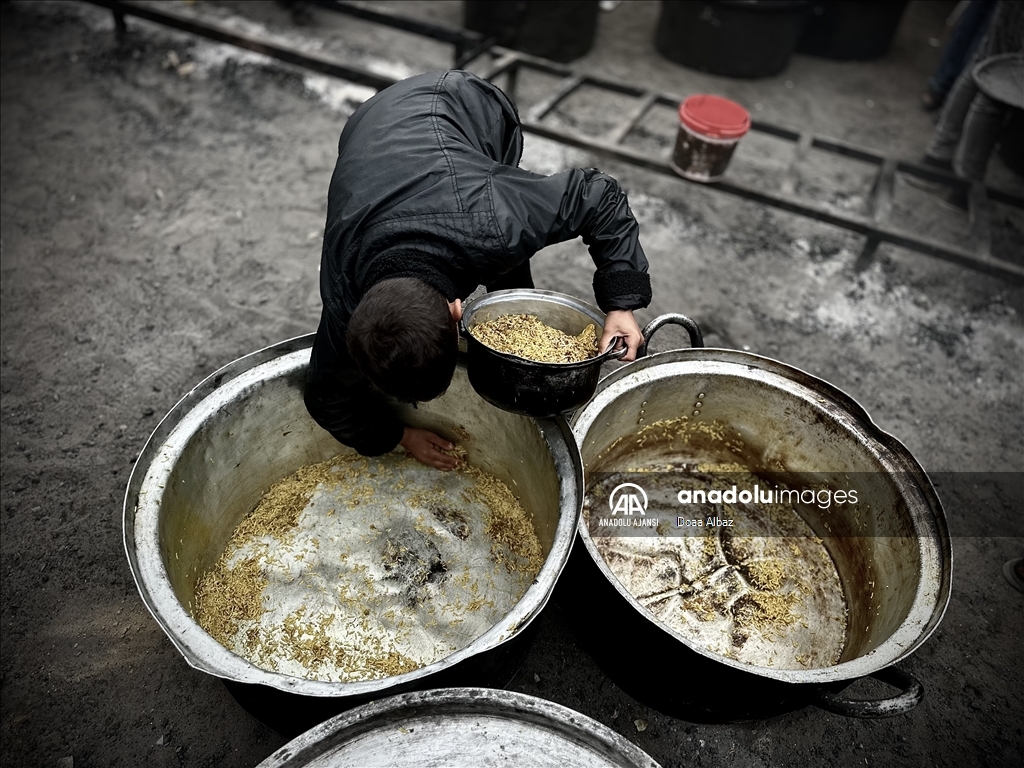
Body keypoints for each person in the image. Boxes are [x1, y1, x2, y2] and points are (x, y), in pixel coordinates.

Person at [304, 70, 652, 470]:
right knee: (491, 249)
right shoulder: (343, 299)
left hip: (465, 103)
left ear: (457, 311)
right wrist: (399, 435)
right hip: (369, 124)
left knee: (496, 246)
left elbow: (598, 196)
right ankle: (511, 298)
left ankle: (514, 303)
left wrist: (622, 302)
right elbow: (325, 396)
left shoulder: (495, 214)